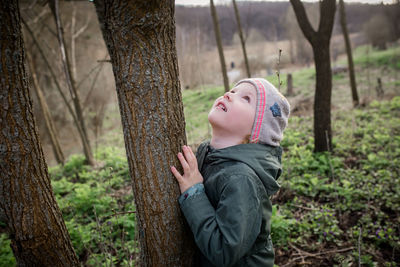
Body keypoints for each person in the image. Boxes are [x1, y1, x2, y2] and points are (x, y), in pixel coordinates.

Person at [171, 78, 290, 267]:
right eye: (233, 91)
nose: (228, 94)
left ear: (256, 132)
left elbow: (224, 250)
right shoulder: (208, 154)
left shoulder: (241, 179)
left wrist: (194, 193)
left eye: (246, 98)